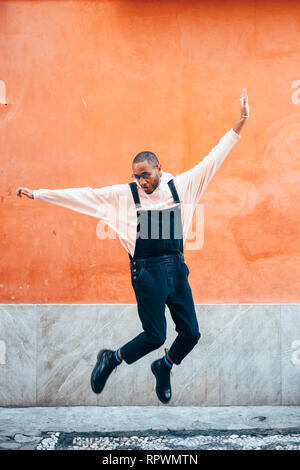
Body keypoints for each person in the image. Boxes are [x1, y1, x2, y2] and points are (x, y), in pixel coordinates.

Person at [16, 88, 249, 404]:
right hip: (146, 272)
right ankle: (110, 359)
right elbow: (86, 195)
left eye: (146, 175)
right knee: (155, 335)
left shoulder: (182, 185)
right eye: (137, 176)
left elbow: (214, 157)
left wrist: (241, 122)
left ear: (159, 169)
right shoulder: (125, 195)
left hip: (176, 270)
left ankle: (163, 367)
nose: (142, 181)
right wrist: (41, 193)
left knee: (191, 333)